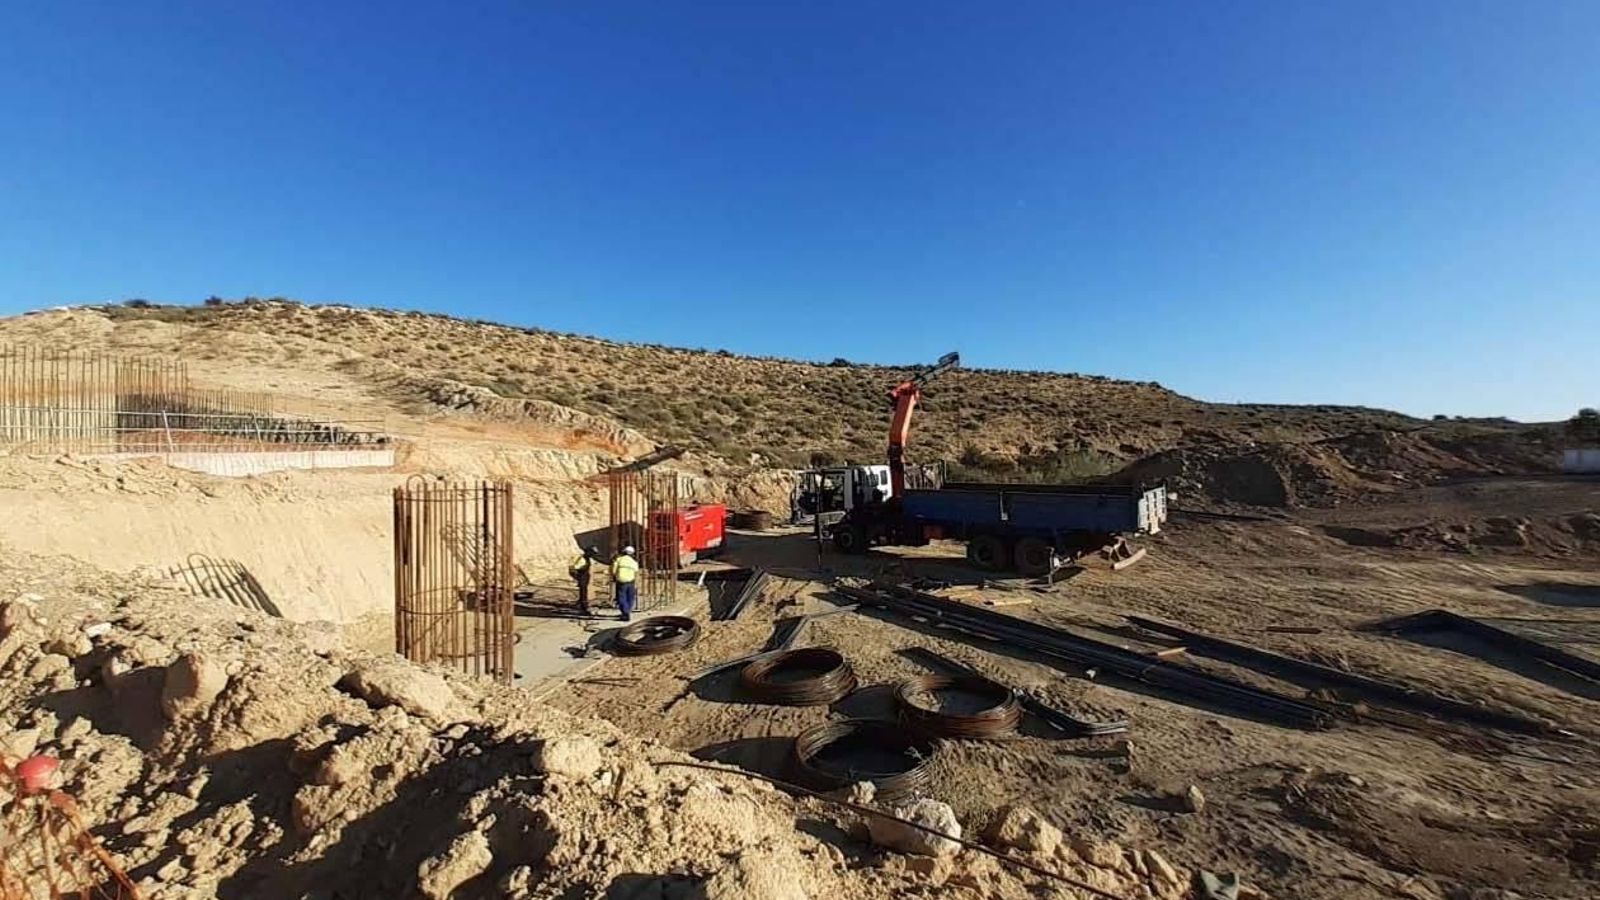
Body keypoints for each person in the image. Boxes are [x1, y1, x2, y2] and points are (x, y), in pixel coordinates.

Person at [611, 546, 640, 622]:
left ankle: (625, 613)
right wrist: (636, 583)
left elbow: (614, 570)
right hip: (631, 581)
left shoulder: (619, 559)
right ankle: (627, 611)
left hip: (621, 581)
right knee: (630, 598)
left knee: (621, 597)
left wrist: (614, 577)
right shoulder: (634, 562)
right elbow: (636, 573)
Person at [568, 546, 598, 615]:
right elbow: (575, 568)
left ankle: (582, 605)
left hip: (584, 576)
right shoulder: (583, 559)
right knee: (583, 592)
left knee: (584, 591)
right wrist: (577, 576)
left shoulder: (586, 558)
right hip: (582, 577)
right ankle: (583, 607)